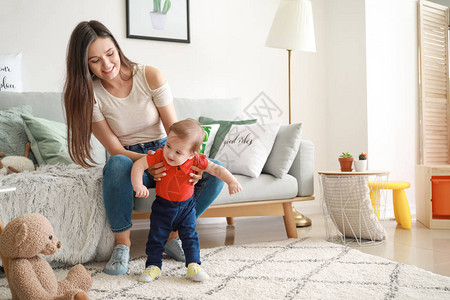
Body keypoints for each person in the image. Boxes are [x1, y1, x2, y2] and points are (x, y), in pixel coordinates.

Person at [63, 20, 225, 275]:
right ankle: (122, 246)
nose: (106, 65)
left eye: (109, 54)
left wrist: (176, 161)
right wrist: (151, 162)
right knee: (116, 164)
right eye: (95, 61)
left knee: (216, 174)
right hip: (130, 158)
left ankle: (173, 236)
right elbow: (115, 148)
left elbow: (175, 130)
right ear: (84, 64)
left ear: (117, 48)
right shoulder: (89, 94)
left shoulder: (149, 75)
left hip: (168, 149)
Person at [131, 119, 241, 282]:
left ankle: (193, 265)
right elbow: (139, 165)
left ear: (191, 154)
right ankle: (153, 265)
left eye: (178, 152)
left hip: (186, 208)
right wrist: (138, 185)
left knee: (190, 237)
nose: (170, 154)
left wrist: (231, 181)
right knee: (156, 236)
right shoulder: (160, 156)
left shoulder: (196, 161)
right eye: (168, 146)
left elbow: (216, 169)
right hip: (163, 206)